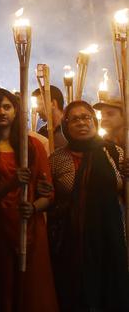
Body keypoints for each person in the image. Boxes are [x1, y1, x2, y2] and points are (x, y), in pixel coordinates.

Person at [0, 87, 58, 312]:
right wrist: (11, 183)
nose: (2, 112)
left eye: (7, 107)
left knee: (30, 293)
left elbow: (48, 194)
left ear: (16, 111)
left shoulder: (32, 146)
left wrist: (35, 206)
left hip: (28, 228)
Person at [47, 100, 129, 310]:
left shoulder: (114, 152)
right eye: (75, 119)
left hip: (109, 236)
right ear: (66, 126)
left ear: (94, 121)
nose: (82, 122)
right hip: (72, 241)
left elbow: (123, 193)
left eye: (86, 117)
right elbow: (49, 198)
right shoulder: (57, 159)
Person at [32, 86, 67, 150]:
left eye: (39, 104)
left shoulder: (70, 129)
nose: (36, 110)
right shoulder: (42, 132)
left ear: (53, 104)